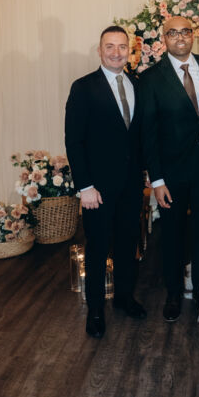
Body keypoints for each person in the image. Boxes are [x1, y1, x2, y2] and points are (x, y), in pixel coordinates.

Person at [139, 16, 199, 322]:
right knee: (173, 234)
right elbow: (148, 133)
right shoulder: (150, 78)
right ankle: (173, 294)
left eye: (185, 31)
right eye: (172, 33)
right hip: (171, 171)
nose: (180, 37)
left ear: (193, 35)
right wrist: (157, 180)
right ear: (164, 38)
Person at [65, 25, 145, 339]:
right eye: (109, 46)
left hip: (131, 185)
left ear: (130, 51)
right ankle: (96, 310)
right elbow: (74, 140)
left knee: (127, 245)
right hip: (96, 189)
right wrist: (84, 186)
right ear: (99, 51)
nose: (116, 52)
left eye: (122, 46)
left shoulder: (137, 84)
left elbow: (138, 136)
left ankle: (124, 298)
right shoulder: (83, 87)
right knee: (98, 248)